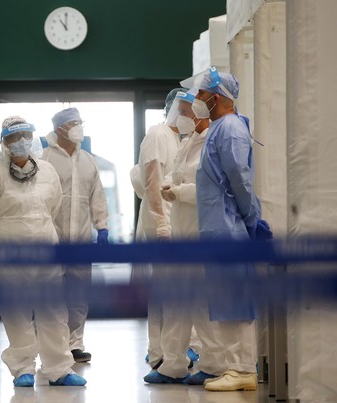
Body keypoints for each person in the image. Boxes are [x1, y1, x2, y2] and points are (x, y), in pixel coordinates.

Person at [0, 116, 87, 387]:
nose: (21, 142)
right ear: (4, 144)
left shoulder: (47, 171)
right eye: (13, 138)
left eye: (25, 136)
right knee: (16, 312)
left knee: (54, 312)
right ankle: (23, 368)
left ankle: (59, 369)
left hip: (47, 251)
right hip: (11, 256)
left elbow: (54, 205)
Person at [181, 66, 272, 392]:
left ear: (217, 97)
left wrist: (251, 220)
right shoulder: (220, 129)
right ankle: (235, 366)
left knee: (236, 302)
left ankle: (243, 368)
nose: (197, 100)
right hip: (219, 229)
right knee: (225, 301)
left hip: (230, 227)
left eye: (201, 94)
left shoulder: (230, 128)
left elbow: (240, 180)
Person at [142, 90, 224, 385]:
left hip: (198, 232)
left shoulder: (212, 143)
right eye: (183, 110)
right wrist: (169, 188)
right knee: (176, 300)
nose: (185, 116)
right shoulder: (186, 142)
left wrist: (177, 192)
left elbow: (210, 188)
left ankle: (214, 363)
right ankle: (172, 364)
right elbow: (168, 177)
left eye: (190, 111)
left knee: (200, 301)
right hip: (179, 230)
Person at [41, 107, 109, 363]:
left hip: (81, 238)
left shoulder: (88, 160)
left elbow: (97, 198)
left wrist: (102, 226)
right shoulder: (44, 159)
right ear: (60, 129)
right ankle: (52, 344)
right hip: (52, 238)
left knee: (79, 293)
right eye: (74, 123)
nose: (79, 127)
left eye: (80, 122)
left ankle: (75, 343)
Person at [131, 88, 183, 371]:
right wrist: (161, 221)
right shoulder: (158, 135)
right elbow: (152, 180)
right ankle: (158, 351)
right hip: (161, 223)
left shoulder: (178, 138)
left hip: (176, 223)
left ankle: (173, 349)